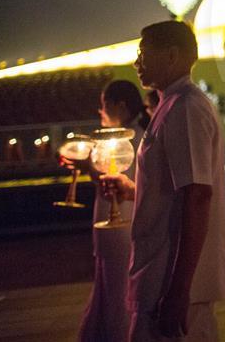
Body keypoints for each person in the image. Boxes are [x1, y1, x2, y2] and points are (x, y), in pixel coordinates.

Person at [102, 20, 225, 341]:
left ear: (172, 56)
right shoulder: (171, 104)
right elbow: (174, 190)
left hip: (169, 280)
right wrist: (133, 190)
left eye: (144, 54)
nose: (136, 62)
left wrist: (178, 289)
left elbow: (197, 196)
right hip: (161, 274)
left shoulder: (185, 107)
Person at [64, 80, 148, 342]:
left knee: (117, 291)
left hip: (123, 226)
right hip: (113, 225)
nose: (100, 111)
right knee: (108, 286)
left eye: (104, 105)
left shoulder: (133, 140)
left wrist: (89, 168)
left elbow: (118, 183)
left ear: (120, 106)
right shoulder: (121, 138)